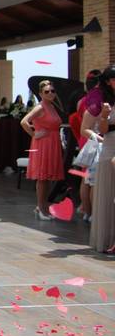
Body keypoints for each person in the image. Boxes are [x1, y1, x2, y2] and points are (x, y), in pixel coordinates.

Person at [20, 80, 65, 221]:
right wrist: (35, 134)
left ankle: (43, 207)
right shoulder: (40, 107)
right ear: (40, 94)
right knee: (42, 177)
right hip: (43, 144)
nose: (50, 93)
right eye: (47, 91)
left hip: (52, 142)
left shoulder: (51, 106)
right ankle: (41, 208)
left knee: (47, 178)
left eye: (52, 91)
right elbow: (24, 121)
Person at [84, 65, 115, 253]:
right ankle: (108, 239)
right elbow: (100, 129)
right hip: (110, 146)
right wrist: (103, 116)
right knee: (109, 195)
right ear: (109, 81)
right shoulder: (103, 102)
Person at [72, 70, 101, 223]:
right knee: (94, 180)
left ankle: (86, 210)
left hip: (85, 139)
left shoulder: (82, 101)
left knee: (86, 178)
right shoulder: (99, 99)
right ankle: (92, 212)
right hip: (97, 139)